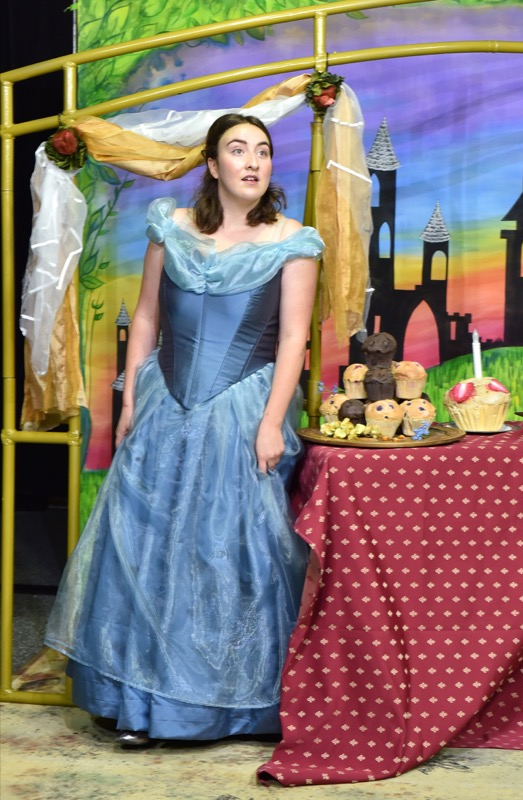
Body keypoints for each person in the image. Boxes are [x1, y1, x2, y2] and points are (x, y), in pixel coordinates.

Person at [45, 113, 324, 748]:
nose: (252, 162)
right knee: (147, 546)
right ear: (212, 164)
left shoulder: (293, 240)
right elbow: (145, 318)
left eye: (262, 151)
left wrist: (272, 422)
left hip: (240, 408)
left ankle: (219, 705)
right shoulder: (169, 227)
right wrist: (130, 400)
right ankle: (138, 703)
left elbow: (293, 340)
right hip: (164, 403)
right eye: (237, 150)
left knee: (224, 547)